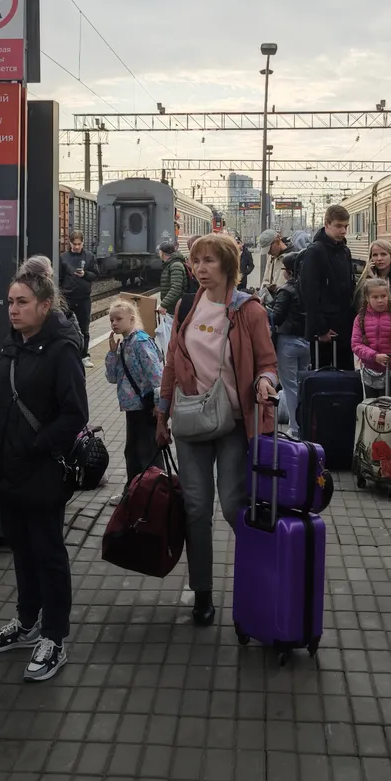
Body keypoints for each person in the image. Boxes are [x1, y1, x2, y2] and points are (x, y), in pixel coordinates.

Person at [156, 232, 278, 625]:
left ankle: (265, 573)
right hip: (190, 419)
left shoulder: (249, 311)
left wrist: (264, 383)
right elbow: (173, 362)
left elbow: (268, 364)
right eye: (196, 260)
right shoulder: (186, 306)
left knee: (231, 506)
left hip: (231, 421)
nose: (200, 268)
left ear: (228, 266)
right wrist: (161, 412)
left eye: (209, 261)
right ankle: (202, 593)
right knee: (195, 509)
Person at [0, 259, 88, 680]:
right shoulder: (12, 344)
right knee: (21, 550)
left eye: (22, 302)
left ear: (45, 305)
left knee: (48, 553)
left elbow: (74, 413)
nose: (13, 309)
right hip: (9, 469)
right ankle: (27, 622)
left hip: (41, 471)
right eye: (10, 302)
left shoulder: (62, 351)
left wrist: (35, 446)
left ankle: (55, 637)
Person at [105, 298, 163, 481]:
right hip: (132, 407)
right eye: (111, 320)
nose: (114, 323)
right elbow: (112, 378)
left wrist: (158, 405)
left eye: (118, 319)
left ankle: (151, 494)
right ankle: (134, 492)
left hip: (145, 408)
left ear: (131, 319)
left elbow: (157, 376)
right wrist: (112, 353)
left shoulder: (140, 342)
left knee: (146, 454)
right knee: (133, 452)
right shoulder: (124, 343)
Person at [297, 205, 356, 370]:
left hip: (343, 327)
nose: (343, 231)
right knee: (322, 376)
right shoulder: (315, 252)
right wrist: (320, 329)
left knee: (345, 374)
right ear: (327, 224)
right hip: (324, 330)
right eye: (338, 226)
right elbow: (309, 293)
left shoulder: (345, 251)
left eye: (346, 226)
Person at [352, 278, 391, 395]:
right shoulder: (360, 319)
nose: (380, 300)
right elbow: (356, 345)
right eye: (375, 297)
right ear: (367, 298)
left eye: (383, 296)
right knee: (372, 408)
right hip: (369, 372)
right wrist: (374, 356)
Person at [272, 250, 310, 436]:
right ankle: (306, 423)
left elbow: (277, 317)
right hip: (307, 341)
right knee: (303, 385)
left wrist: (267, 307)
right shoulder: (309, 287)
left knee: (290, 387)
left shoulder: (285, 290)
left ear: (288, 271)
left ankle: (295, 427)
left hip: (288, 343)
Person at [59, 230, 99, 365]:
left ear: (82, 243)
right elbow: (59, 277)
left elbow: (95, 273)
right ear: (70, 243)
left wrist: (85, 274)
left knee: (84, 327)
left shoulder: (89, 256)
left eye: (79, 244)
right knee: (64, 326)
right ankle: (65, 354)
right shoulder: (63, 257)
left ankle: (84, 356)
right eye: (74, 244)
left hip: (84, 298)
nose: (76, 246)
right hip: (68, 297)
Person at [257, 228, 289, 311]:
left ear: (277, 240)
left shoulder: (292, 257)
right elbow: (266, 279)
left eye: (269, 249)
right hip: (271, 303)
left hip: (285, 304)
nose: (268, 252)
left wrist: (277, 289)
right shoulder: (271, 257)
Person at [157, 239, 189, 319]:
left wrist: (164, 304)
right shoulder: (171, 264)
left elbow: (176, 288)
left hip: (175, 307)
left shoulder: (175, 265)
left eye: (159, 251)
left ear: (162, 252)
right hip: (172, 306)